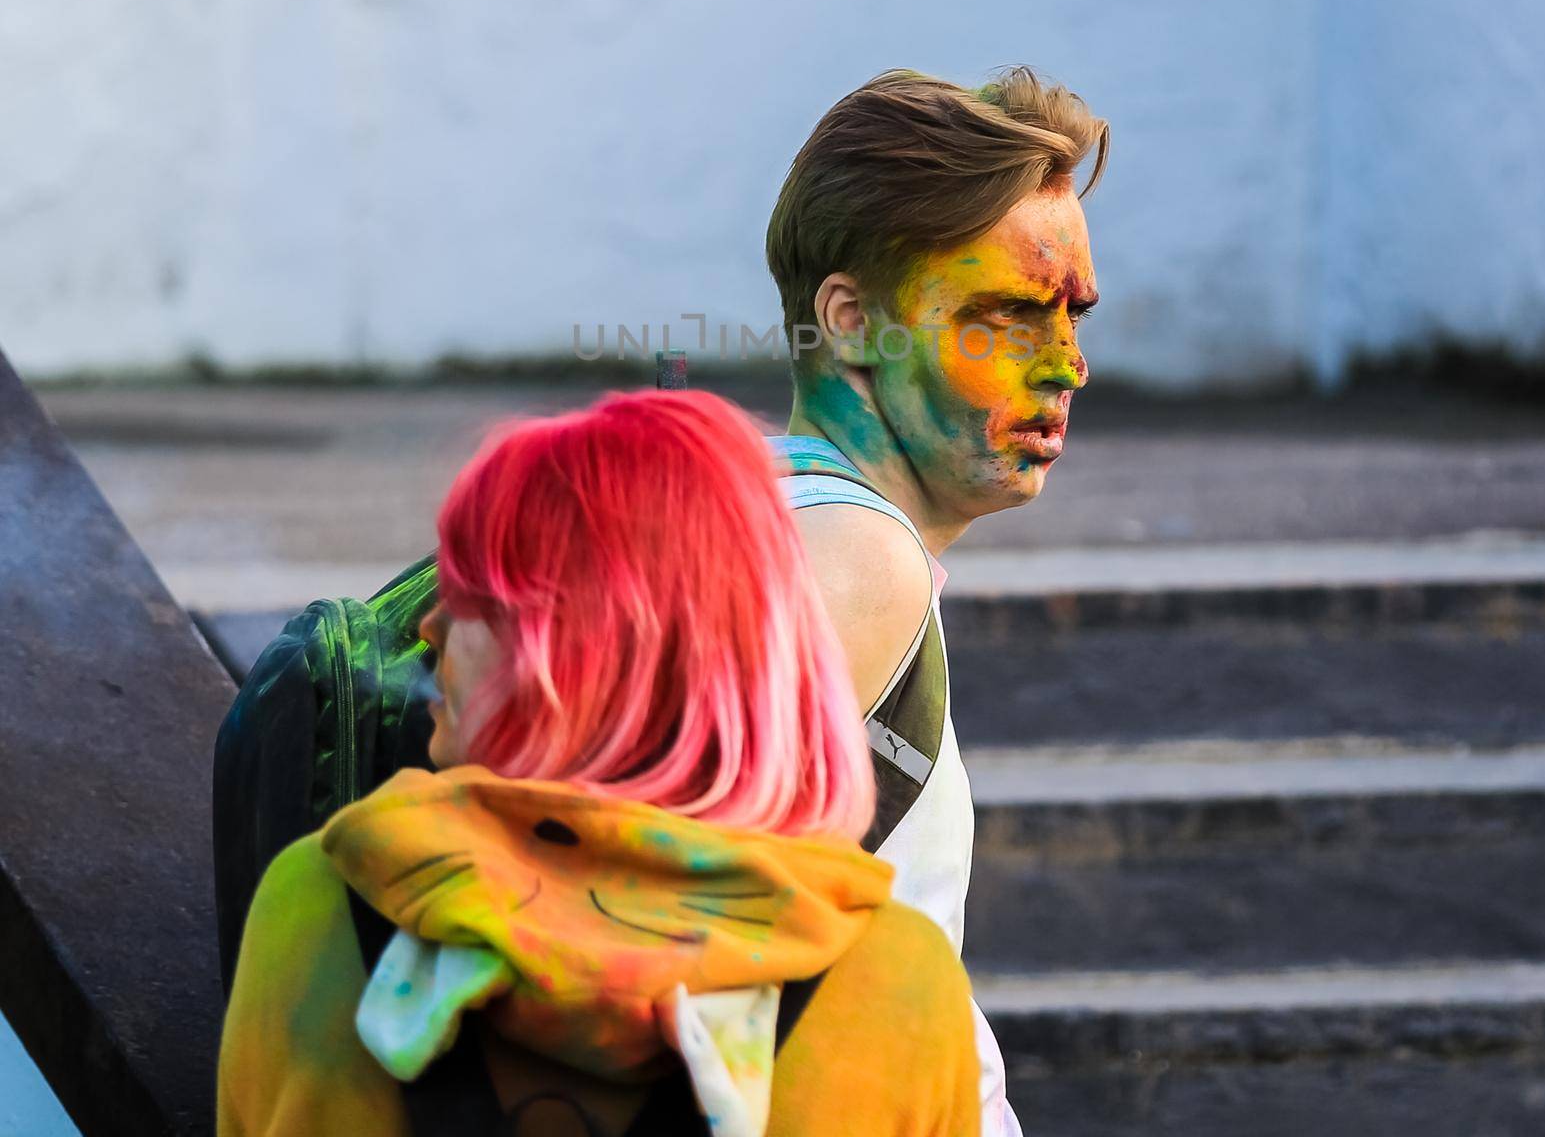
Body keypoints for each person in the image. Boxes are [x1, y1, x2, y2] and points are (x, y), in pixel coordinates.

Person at [217, 388, 979, 1137]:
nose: (432, 624)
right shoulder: (894, 980)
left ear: (575, 658)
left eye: (472, 593)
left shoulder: (325, 902)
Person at [764, 65, 1107, 1134]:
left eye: (1071, 314)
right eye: (1006, 315)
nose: (1066, 367)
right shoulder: (856, 560)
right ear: (853, 321)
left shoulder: (780, 510)